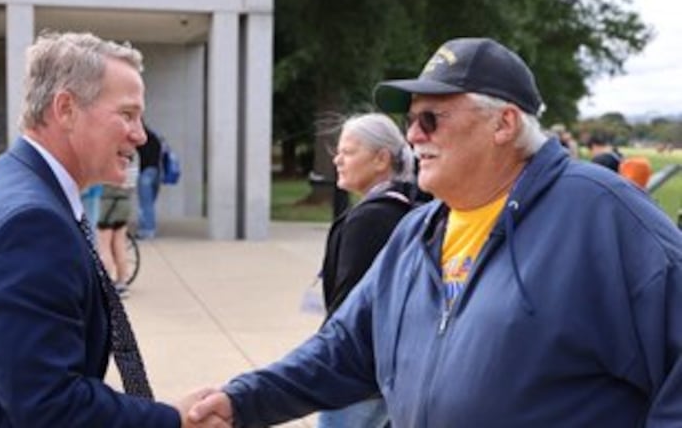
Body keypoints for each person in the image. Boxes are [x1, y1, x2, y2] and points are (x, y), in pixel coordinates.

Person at [188, 37, 682, 427]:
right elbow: (344, 349)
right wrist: (242, 402)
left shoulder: (604, 216)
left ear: (503, 123)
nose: (413, 135)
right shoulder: (418, 231)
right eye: (411, 120)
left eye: (431, 118)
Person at [0, 31, 228, 427]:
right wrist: (171, 420)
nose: (140, 134)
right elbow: (49, 405)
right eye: (127, 114)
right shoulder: (29, 224)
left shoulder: (12, 186)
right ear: (66, 109)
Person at [316, 113, 425, 428]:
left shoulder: (371, 220)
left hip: (356, 376)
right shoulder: (407, 207)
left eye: (348, 152)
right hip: (388, 371)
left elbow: (349, 308)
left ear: (381, 159)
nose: (338, 160)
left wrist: (323, 364)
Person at [98, 150, 139, 293]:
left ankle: (107, 283)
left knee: (104, 246)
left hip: (107, 204)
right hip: (124, 203)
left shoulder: (108, 159)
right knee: (119, 244)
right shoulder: (132, 161)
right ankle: (122, 282)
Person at [136, 123, 163, 239]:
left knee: (145, 204)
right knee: (149, 203)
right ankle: (149, 228)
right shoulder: (155, 138)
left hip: (146, 172)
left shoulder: (141, 139)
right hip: (156, 172)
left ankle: (147, 230)